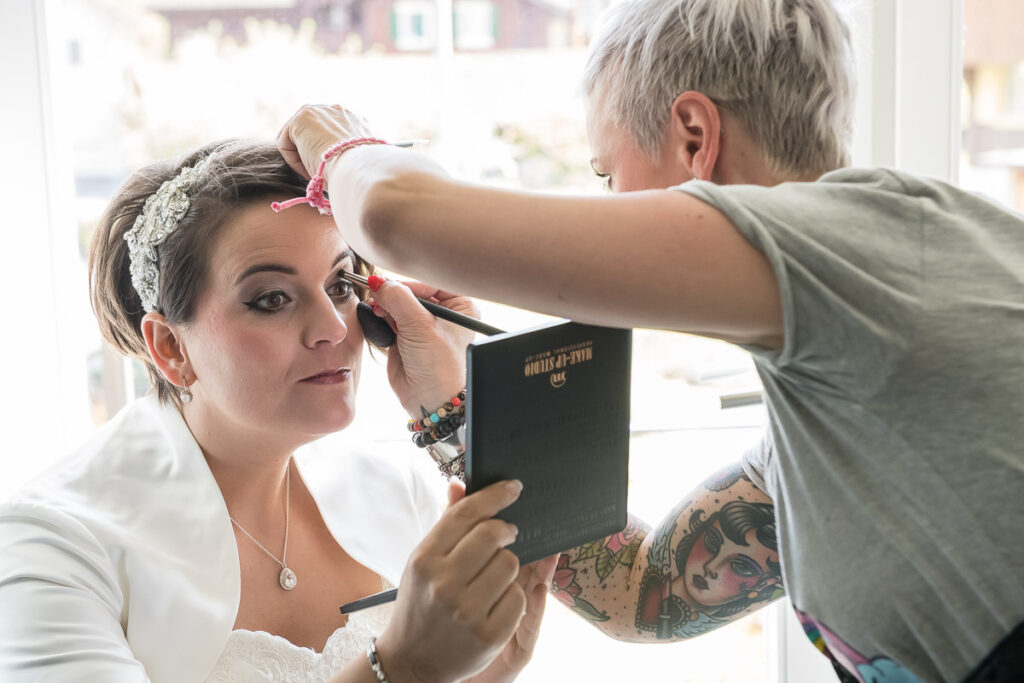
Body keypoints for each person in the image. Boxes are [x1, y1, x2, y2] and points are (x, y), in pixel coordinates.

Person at [272, 0, 1024, 681]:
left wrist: (340, 145)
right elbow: (644, 588)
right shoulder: (852, 363)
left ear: (696, 138)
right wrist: (452, 408)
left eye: (609, 175)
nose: (607, 205)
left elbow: (397, 217)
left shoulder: (857, 252)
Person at [0, 139, 557, 683]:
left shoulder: (393, 489)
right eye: (271, 299)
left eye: (339, 285)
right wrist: (403, 668)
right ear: (170, 347)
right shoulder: (52, 546)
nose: (334, 329)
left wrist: (484, 676)